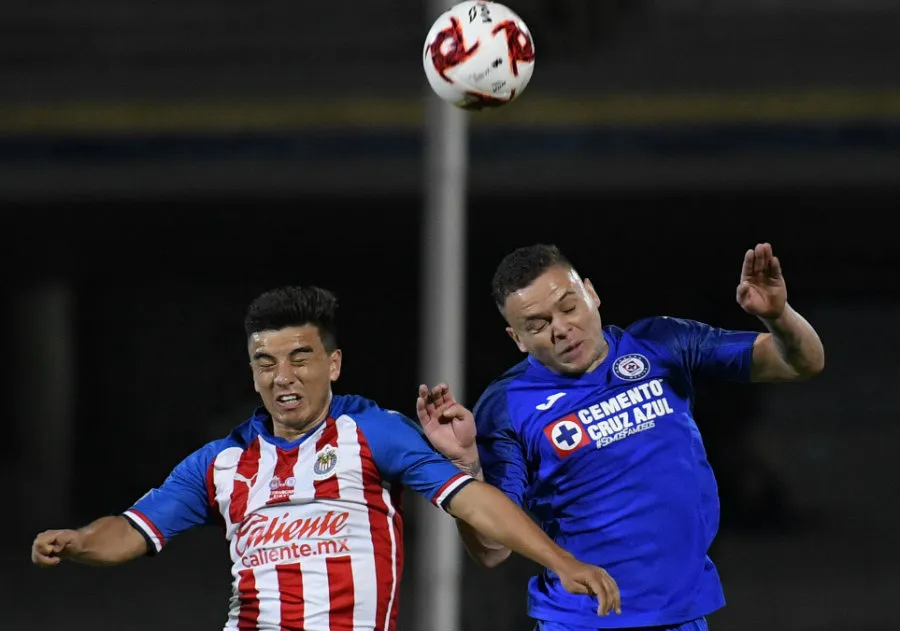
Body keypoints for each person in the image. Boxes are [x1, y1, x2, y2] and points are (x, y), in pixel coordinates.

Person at [31, 285, 621, 631]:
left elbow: (479, 506)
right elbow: (130, 533)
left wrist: (561, 561)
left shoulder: (375, 434)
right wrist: (78, 541)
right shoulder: (219, 463)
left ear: (333, 365)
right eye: (266, 362)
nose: (283, 377)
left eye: (300, 358)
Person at [416, 243, 825, 631]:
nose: (561, 328)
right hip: (582, 620)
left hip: (681, 613)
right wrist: (465, 465)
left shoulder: (660, 343)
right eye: (538, 325)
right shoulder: (507, 405)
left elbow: (801, 363)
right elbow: (491, 549)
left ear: (591, 294)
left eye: (568, 306)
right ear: (517, 339)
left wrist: (778, 315)